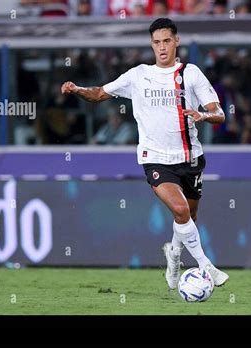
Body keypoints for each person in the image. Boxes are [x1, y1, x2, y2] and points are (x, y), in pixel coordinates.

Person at [61, 18, 229, 289]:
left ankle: (174, 255)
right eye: (156, 42)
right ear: (152, 44)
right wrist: (78, 89)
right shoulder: (138, 75)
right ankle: (206, 265)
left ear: (176, 42)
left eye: (166, 41)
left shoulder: (192, 74)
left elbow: (219, 114)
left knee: (188, 217)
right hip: (155, 159)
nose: (161, 47)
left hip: (190, 158)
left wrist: (203, 115)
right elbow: (100, 93)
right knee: (180, 209)